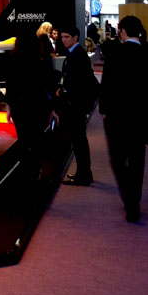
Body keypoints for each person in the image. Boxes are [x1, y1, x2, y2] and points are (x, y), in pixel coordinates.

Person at [99, 16, 148, 222]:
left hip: (116, 117)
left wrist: (104, 110)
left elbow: (106, 84)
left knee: (118, 160)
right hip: (139, 118)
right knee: (137, 161)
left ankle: (128, 199)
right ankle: (134, 202)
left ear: (122, 31)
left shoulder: (114, 53)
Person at [57, 25, 99, 186]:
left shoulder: (78, 55)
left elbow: (80, 81)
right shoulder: (74, 53)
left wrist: (67, 92)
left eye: (66, 37)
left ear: (75, 37)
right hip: (75, 104)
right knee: (78, 139)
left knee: (79, 140)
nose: (63, 40)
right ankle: (83, 173)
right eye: (62, 37)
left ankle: (84, 174)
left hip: (76, 105)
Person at [5, 27, 56, 145]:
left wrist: (9, 107)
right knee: (38, 141)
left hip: (20, 106)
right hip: (39, 104)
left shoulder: (13, 59)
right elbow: (49, 84)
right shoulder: (42, 59)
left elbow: (10, 85)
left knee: (23, 140)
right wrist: (52, 108)